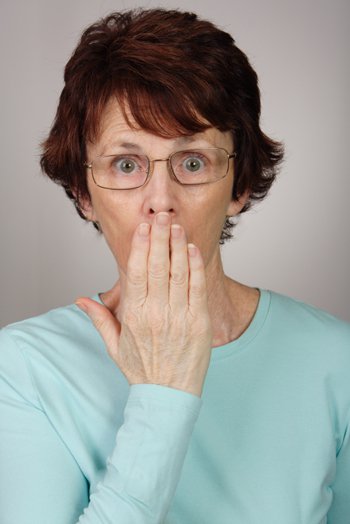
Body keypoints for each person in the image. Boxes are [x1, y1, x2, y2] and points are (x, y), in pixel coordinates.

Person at [0, 7, 349, 523]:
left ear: (241, 183)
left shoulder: (335, 360)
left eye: (192, 162)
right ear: (83, 194)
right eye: (126, 164)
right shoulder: (23, 368)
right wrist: (162, 396)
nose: (160, 200)